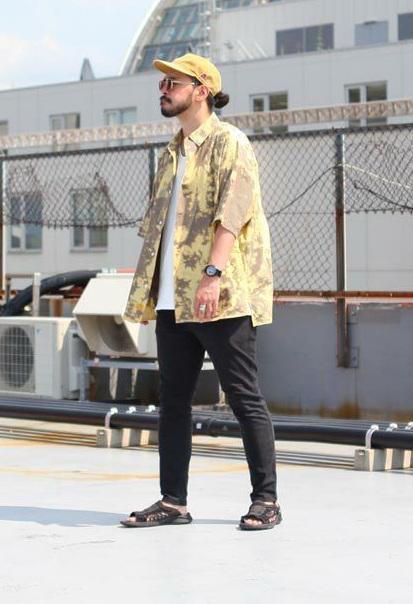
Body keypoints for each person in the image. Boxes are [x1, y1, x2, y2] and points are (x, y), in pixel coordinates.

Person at [120, 53, 280, 531]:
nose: (163, 90)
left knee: (243, 395)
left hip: (221, 295)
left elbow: (233, 213)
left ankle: (266, 500)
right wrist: (152, 292)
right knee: (173, 401)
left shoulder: (230, 142)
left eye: (173, 83)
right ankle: (173, 502)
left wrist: (213, 274)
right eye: (163, 84)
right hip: (174, 299)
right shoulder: (171, 153)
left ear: (201, 90)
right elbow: (160, 229)